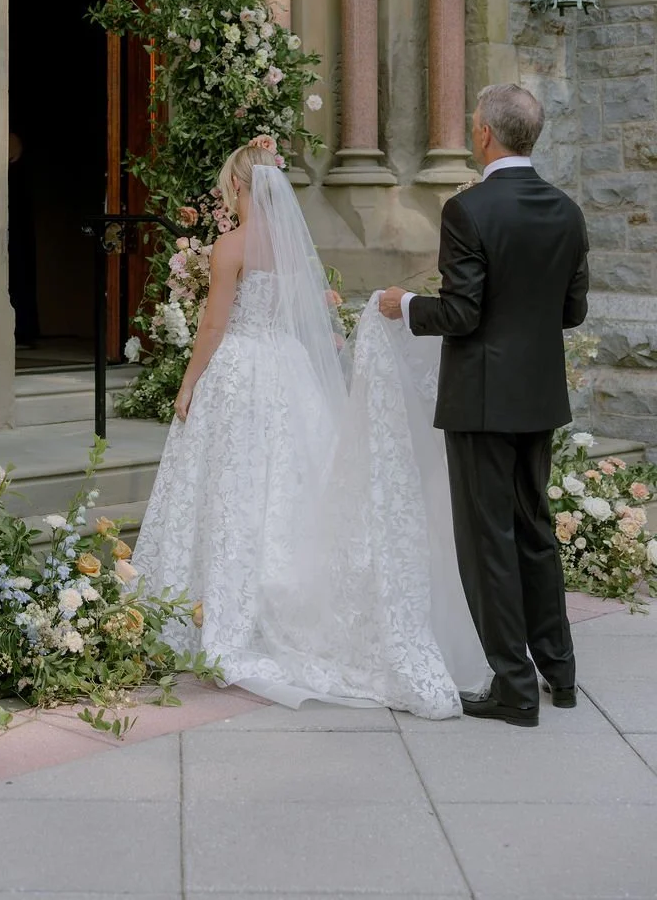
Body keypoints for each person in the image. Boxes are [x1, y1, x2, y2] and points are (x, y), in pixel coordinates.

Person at [134, 141, 490, 718]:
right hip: (286, 366)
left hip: (240, 370)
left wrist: (189, 381)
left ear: (239, 187)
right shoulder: (292, 249)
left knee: (230, 487)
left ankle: (214, 607)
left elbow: (216, 322)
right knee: (291, 484)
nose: (228, 195)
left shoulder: (231, 245)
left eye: (230, 187)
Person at [379, 83, 589, 727]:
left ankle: (513, 686)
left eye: (474, 123)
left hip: (480, 402)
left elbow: (463, 313)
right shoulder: (567, 210)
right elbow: (572, 311)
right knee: (534, 530)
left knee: (488, 542)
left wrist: (405, 306)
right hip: (539, 397)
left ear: (485, 135)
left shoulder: (468, 211)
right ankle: (560, 671)